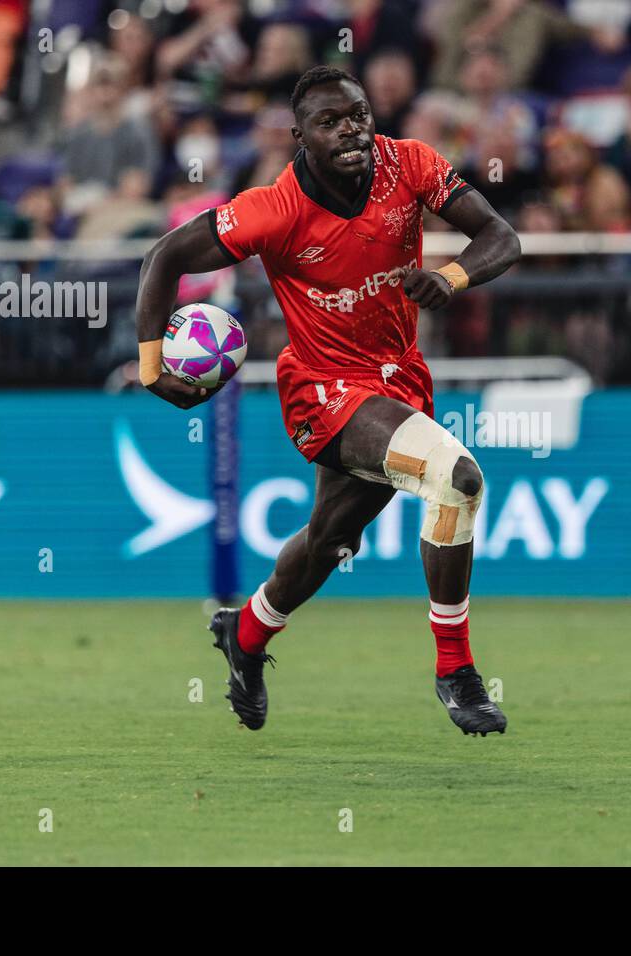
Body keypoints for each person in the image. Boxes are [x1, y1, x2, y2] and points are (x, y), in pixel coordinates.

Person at [133, 66, 521, 736]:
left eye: (358, 114)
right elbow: (165, 257)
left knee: (329, 541)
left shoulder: (411, 165)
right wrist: (149, 369)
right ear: (300, 137)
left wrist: (449, 278)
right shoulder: (273, 210)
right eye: (330, 121)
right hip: (324, 389)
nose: (351, 129)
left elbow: (501, 237)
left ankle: (245, 633)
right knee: (456, 478)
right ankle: (455, 670)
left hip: (398, 380)